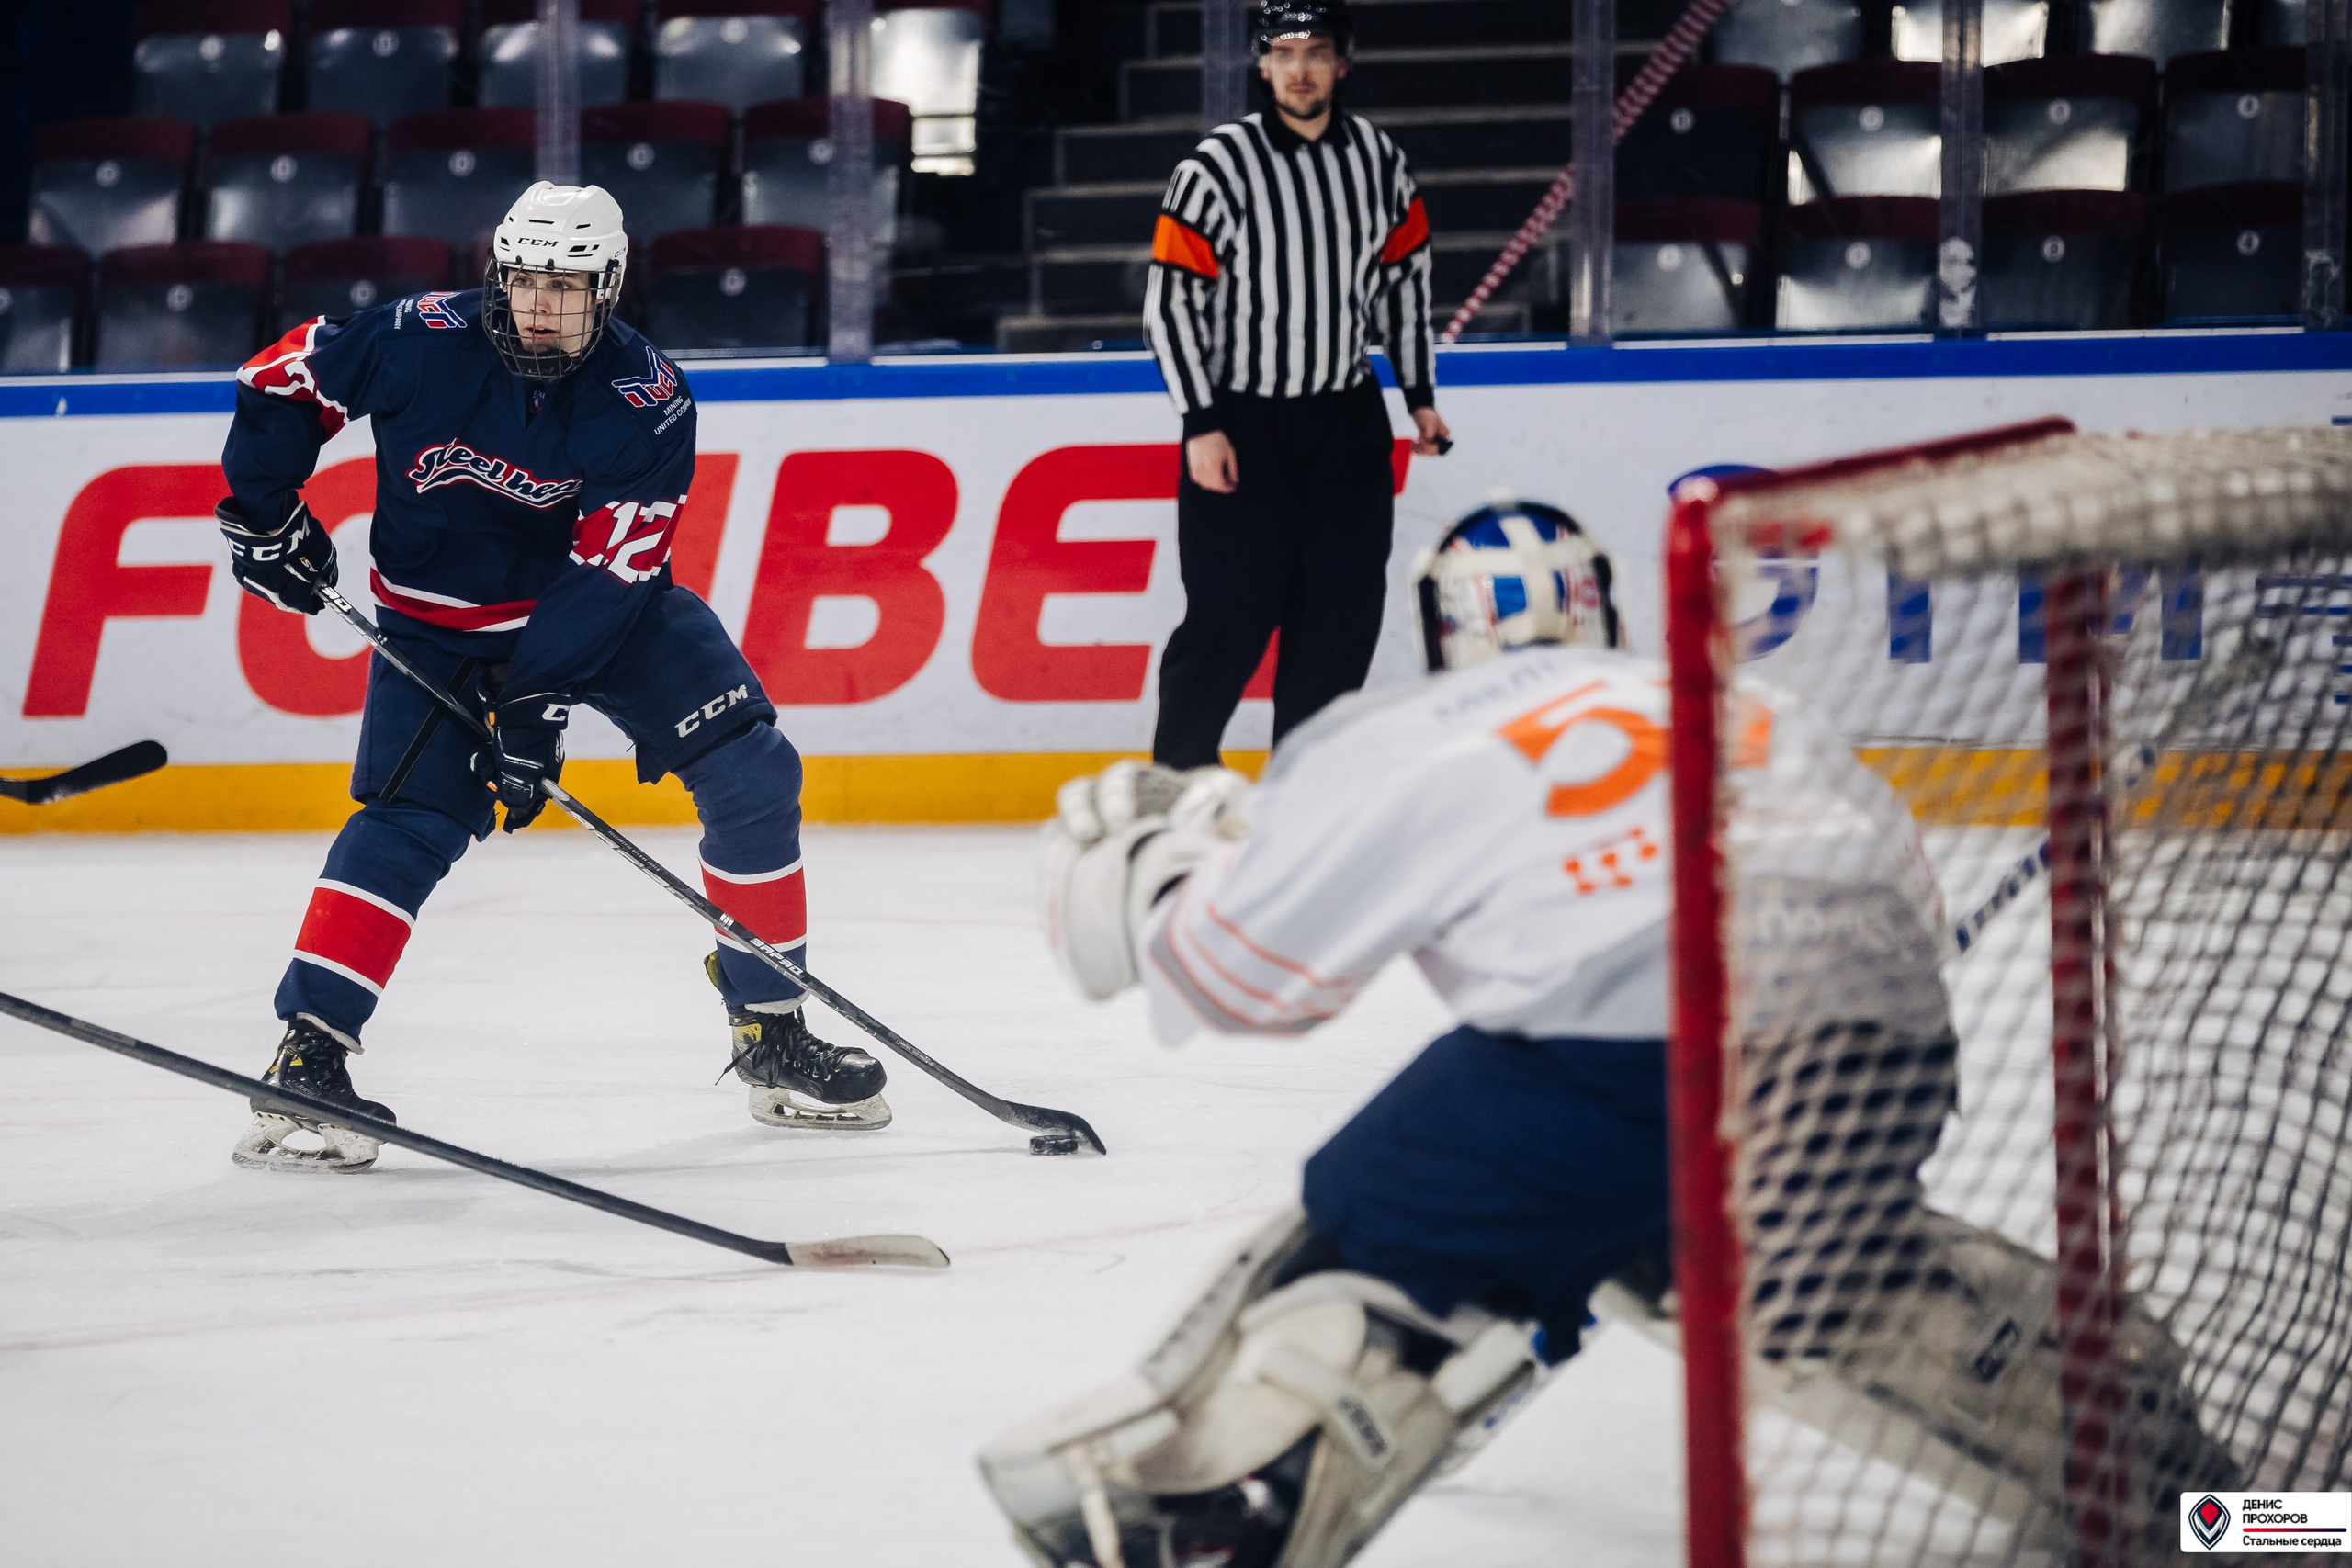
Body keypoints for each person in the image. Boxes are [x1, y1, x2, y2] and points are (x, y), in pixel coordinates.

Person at [980, 500, 2234, 1567]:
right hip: (1887, 1064)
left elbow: (1240, 983)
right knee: (1760, 1265)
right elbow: (1906, 904)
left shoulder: (1412, 735)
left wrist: (1151, 872)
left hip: (1636, 1066)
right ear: (1606, 608)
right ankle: (2248, 1518)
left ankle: (1211, 1517)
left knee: (1351, 1233)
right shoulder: (1745, 704)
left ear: (1444, 629)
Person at [216, 181, 888, 1173]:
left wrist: (534, 707)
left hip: (601, 617)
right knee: (410, 823)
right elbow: (281, 381)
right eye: (523, 280)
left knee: (753, 771)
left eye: (566, 288)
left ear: (608, 287)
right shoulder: (414, 337)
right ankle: (308, 1056)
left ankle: (772, 1030)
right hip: (437, 624)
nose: (538, 305)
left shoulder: (645, 399)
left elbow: (612, 569)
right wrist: (264, 511)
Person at [1143, 0, 1451, 771]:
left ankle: (1304, 787)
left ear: (1343, 62)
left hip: (1344, 418)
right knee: (1229, 612)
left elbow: (1405, 287)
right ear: (1261, 64)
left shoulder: (1381, 162)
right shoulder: (1216, 166)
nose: (1302, 68)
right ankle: (1179, 780)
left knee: (1341, 614)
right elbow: (1170, 301)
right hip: (1240, 421)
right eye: (1285, 53)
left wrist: (1418, 395)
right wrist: (1201, 421)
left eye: (1316, 52)